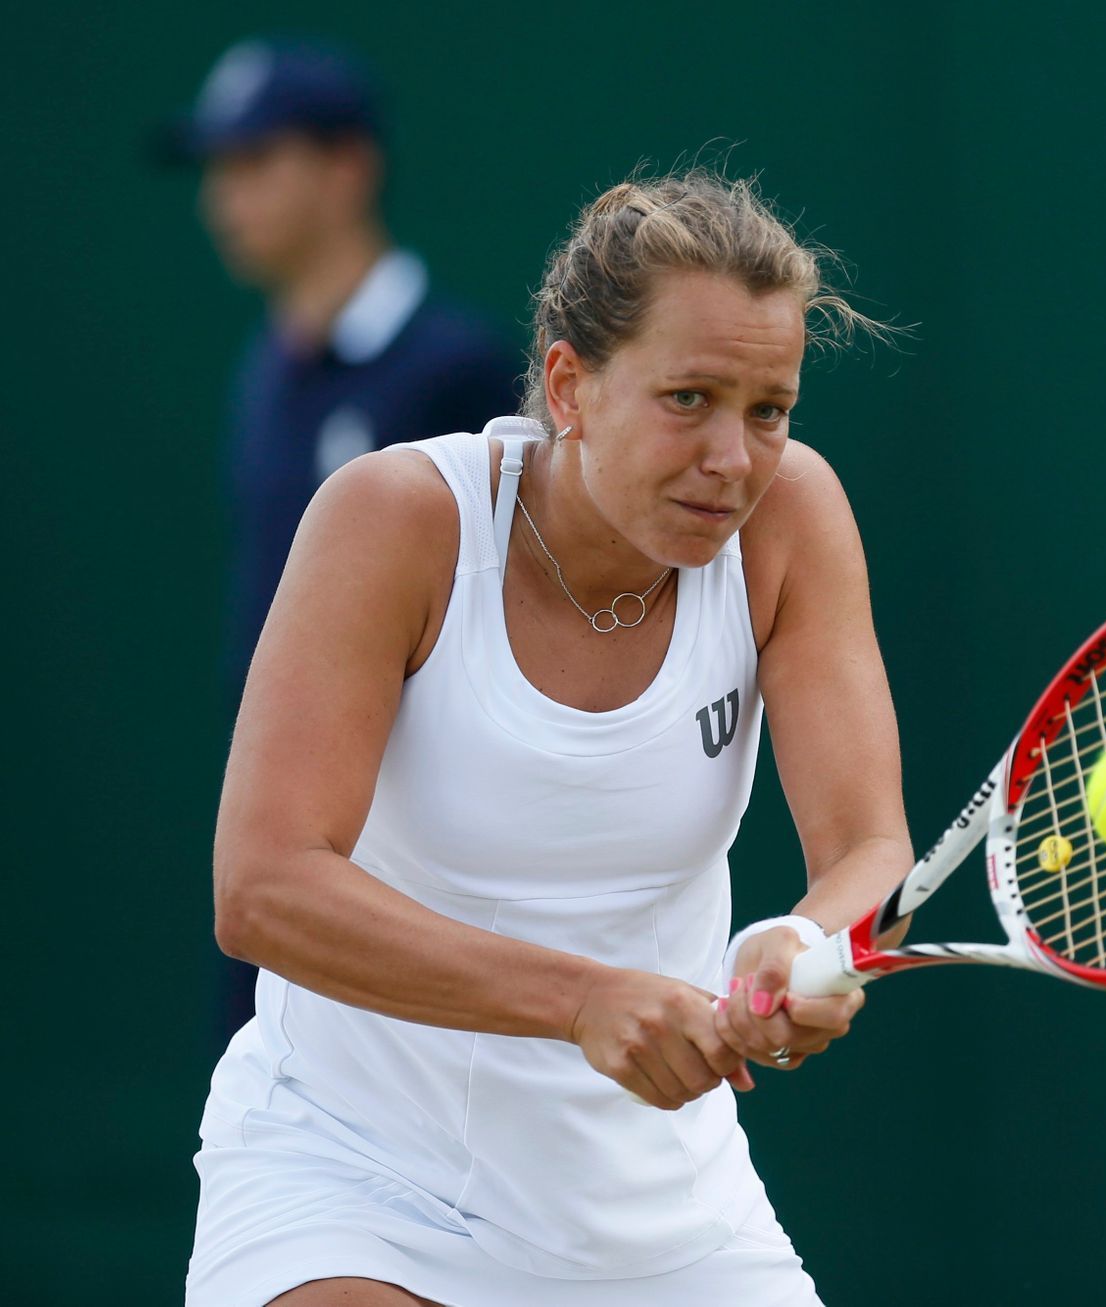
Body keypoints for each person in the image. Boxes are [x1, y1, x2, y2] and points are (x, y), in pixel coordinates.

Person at [187, 168, 910, 1306]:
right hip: (359, 1179)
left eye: (769, 409)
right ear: (569, 386)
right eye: (690, 399)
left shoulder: (792, 519)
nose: (734, 456)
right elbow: (264, 888)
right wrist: (581, 996)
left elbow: (870, 844)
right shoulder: (396, 521)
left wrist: (808, 938)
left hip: (667, 1217)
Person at [163, 37, 524, 1037]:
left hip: (419, 859)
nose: (224, 198)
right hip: (282, 833)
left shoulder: (456, 368)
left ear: (348, 167)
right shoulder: (266, 371)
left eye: (255, 162)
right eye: (217, 169)